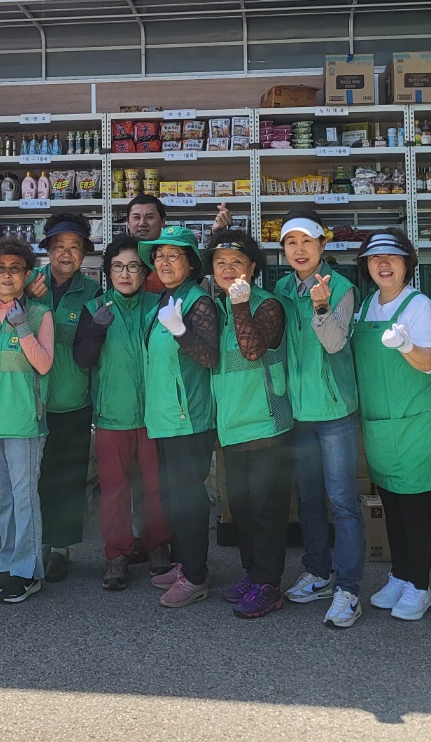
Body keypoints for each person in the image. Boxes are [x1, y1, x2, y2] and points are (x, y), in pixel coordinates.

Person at [271, 209, 366, 629]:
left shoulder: (342, 287)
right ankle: (318, 572)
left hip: (334, 409)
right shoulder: (281, 288)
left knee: (342, 501)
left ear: (322, 245)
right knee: (309, 499)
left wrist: (321, 306)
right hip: (298, 411)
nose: (299, 250)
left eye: (307, 241)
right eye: (291, 243)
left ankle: (348, 588)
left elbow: (334, 344)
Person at [353, 228, 431, 622]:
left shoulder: (418, 305)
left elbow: (428, 361)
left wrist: (406, 346)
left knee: (414, 510)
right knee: (391, 505)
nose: (383, 264)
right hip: (380, 424)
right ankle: (400, 575)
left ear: (407, 264)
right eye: (375, 259)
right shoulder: (365, 307)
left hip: (415, 423)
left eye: (392, 257)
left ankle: (420, 586)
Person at [73, 233, 172, 590]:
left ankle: (158, 547)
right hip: (112, 415)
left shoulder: (160, 305)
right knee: (115, 489)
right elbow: (83, 360)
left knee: (155, 487)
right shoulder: (95, 309)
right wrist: (96, 331)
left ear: (145, 272)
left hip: (155, 415)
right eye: (117, 267)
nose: (125, 274)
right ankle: (116, 555)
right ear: (108, 272)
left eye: (132, 266)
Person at [205, 227, 293, 620]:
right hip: (232, 426)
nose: (227, 269)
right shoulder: (217, 307)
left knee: (266, 512)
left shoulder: (268, 304)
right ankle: (252, 574)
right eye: (220, 262)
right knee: (240, 509)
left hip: (266, 425)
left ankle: (269, 585)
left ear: (253, 267)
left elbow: (253, 350)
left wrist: (241, 304)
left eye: (237, 262)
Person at [0, 237, 57, 604]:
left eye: (15, 269)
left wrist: (22, 328)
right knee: (3, 498)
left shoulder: (40, 314)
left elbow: (44, 364)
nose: (7, 275)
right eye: (0, 269)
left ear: (27, 274)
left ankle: (27, 572)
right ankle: (8, 564)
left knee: (24, 498)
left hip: (23, 421)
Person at [138, 226, 220, 609]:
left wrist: (182, 331)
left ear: (190, 263)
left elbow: (209, 356)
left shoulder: (198, 301)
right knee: (173, 496)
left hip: (189, 416)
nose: (164, 262)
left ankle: (196, 577)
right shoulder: (166, 298)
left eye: (174, 255)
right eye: (159, 256)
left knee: (188, 498)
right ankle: (186, 564)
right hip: (166, 415)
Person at [26, 213, 97, 583]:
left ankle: (60, 548)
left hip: (71, 401)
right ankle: (31, 543)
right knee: (31, 477)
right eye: (59, 246)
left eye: (75, 247)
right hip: (29, 402)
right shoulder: (28, 283)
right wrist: (25, 298)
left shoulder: (92, 293)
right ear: (48, 250)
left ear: (84, 252)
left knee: (67, 477)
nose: (66, 254)